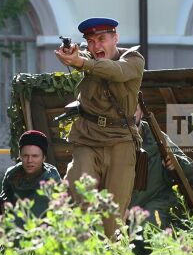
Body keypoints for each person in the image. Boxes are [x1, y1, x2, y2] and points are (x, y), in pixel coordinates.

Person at [54, 17, 145, 238]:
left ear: (115, 38)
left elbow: (116, 71)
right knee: (79, 199)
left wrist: (80, 62)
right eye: (91, 41)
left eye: (102, 39)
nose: (96, 46)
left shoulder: (133, 60)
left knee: (112, 220)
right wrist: (73, 55)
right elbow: (82, 59)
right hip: (88, 139)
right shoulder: (85, 59)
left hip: (120, 141)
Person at [129, 105, 193, 229]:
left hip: (155, 199)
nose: (131, 114)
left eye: (135, 109)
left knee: (149, 225)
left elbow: (190, 172)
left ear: (142, 113)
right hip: (123, 205)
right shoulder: (112, 138)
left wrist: (175, 163)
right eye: (128, 107)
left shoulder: (157, 137)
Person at [0, 130, 61, 218]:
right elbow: (3, 199)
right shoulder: (12, 174)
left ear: (44, 157)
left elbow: (35, 213)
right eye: (25, 156)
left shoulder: (50, 179)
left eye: (35, 156)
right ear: (20, 156)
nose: (29, 160)